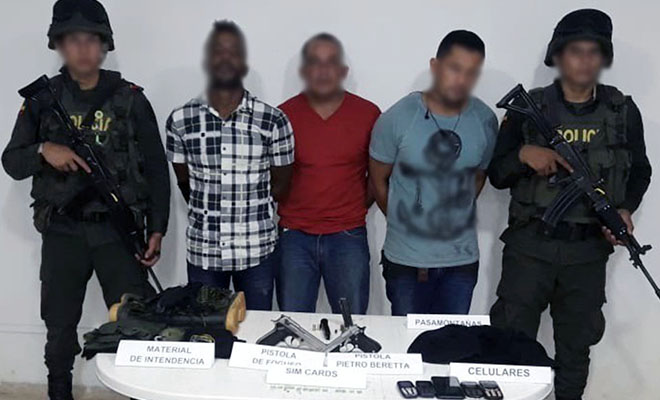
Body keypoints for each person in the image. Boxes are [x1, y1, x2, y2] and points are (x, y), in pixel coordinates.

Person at [1, 1, 170, 399]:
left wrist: (157, 228)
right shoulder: (42, 100)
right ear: (59, 45)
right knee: (59, 325)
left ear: (105, 44)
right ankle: (59, 391)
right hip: (63, 231)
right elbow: (12, 161)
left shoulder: (130, 99)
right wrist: (44, 149)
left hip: (117, 232)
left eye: (91, 39)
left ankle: (137, 391)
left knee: (133, 321)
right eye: (73, 40)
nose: (82, 49)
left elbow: (156, 169)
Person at [488, 9, 652, 400]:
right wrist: (524, 154)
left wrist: (625, 209)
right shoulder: (528, 109)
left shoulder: (622, 111)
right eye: (575, 51)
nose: (584, 61)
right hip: (530, 248)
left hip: (587, 253)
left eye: (594, 52)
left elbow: (641, 172)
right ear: (558, 55)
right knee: (511, 347)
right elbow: (496, 173)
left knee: (576, 351)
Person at [166, 21, 294, 311]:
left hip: (256, 251)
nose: (225, 59)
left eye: (233, 52)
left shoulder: (272, 120)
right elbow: (184, 182)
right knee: (206, 330)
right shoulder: (181, 119)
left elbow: (281, 185)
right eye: (218, 51)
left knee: (256, 331)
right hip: (204, 252)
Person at [369, 31, 497, 316]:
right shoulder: (398, 117)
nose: (462, 80)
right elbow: (377, 180)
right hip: (407, 260)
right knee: (407, 340)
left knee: (453, 341)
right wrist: (405, 222)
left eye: (472, 72)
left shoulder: (485, 120)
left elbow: (479, 176)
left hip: (461, 261)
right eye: (455, 68)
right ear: (435, 66)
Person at [276, 33, 380, 314]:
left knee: (352, 325)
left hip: (347, 235)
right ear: (303, 71)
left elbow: (379, 175)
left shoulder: (368, 114)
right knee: (293, 324)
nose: (323, 71)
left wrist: (352, 209)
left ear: (343, 71)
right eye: (315, 63)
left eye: (331, 62)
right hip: (294, 236)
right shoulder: (282, 116)